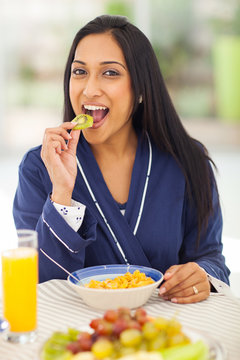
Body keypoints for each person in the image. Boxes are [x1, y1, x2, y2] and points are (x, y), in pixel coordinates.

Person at [13, 14, 230, 303]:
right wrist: (62, 194)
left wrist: (200, 275)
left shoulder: (189, 161)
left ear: (141, 88)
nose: (89, 89)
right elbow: (41, 286)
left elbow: (211, 259)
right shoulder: (39, 167)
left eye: (110, 73)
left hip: (164, 335)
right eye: (79, 72)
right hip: (78, 338)